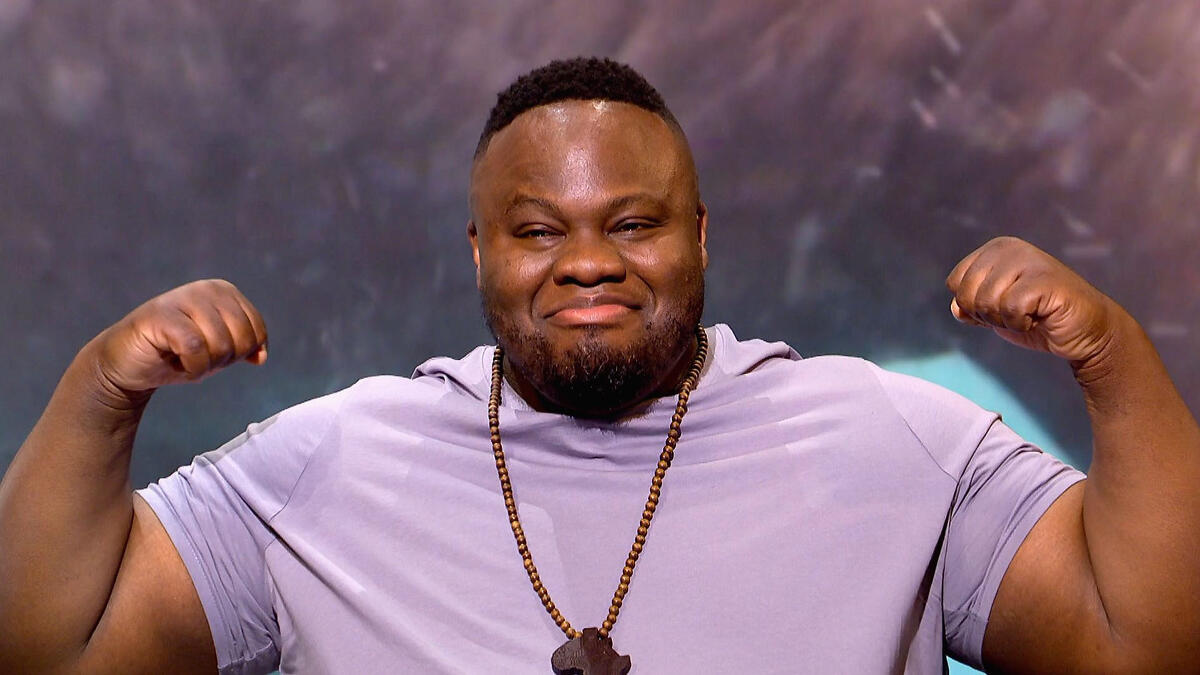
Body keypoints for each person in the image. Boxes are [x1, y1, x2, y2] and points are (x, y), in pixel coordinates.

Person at [0, 57, 1197, 674]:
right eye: (538, 230)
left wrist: (1116, 361)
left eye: (633, 223)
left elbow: (1148, 646)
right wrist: (101, 394)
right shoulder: (324, 462)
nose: (588, 262)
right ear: (480, 252)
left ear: (701, 236)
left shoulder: (898, 440)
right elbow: (49, 651)